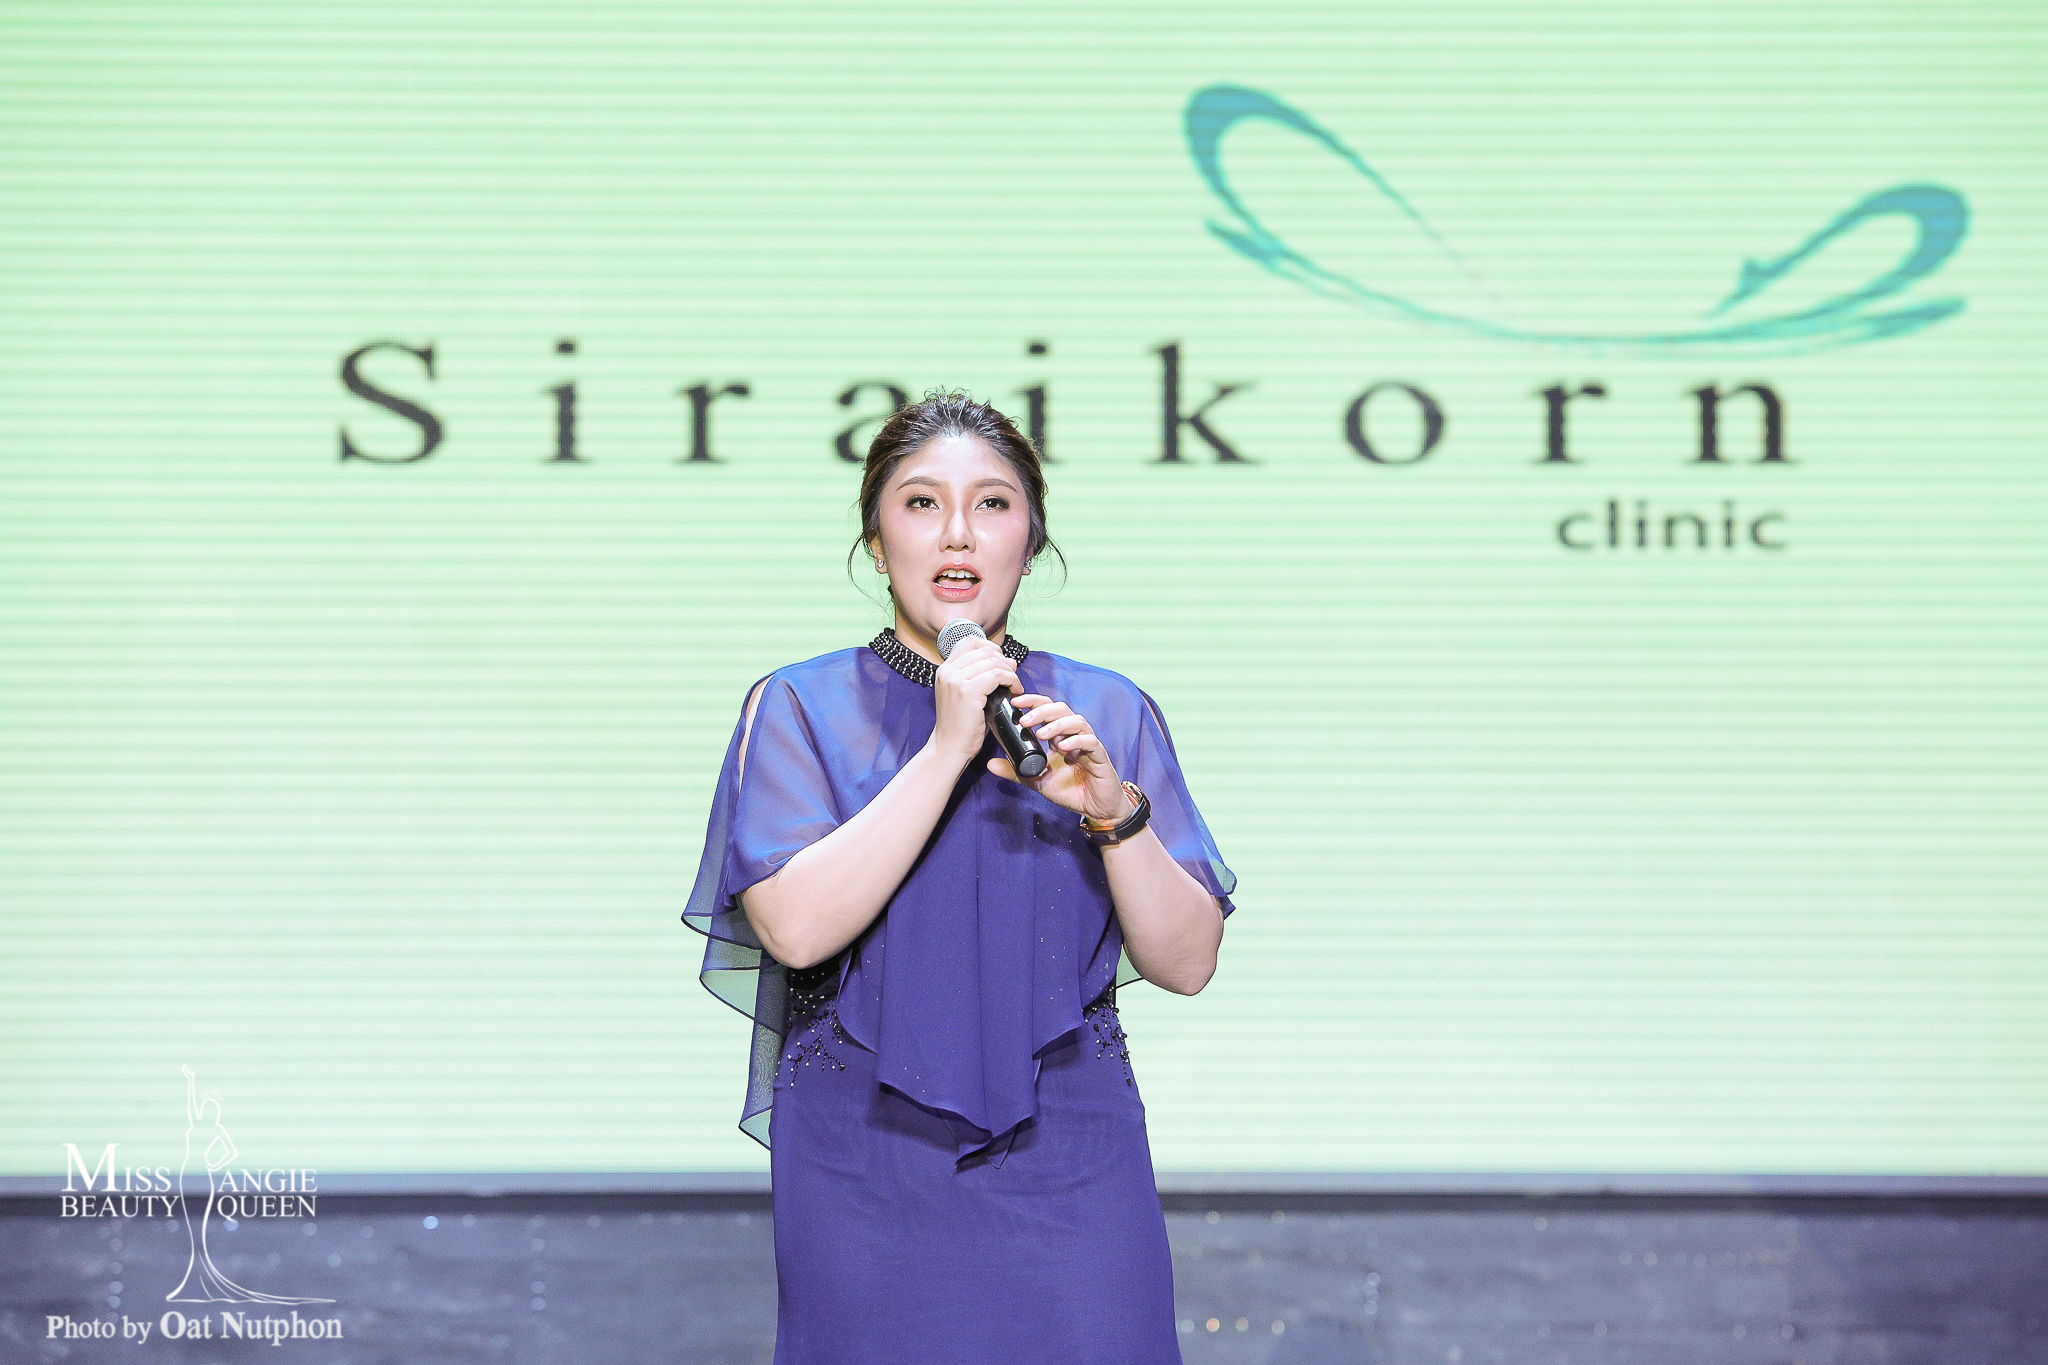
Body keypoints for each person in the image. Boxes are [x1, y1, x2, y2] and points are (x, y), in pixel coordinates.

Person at [682, 390, 1237, 1363]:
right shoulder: (800, 705)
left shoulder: (1102, 709)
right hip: (863, 1152)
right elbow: (795, 930)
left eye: (992, 503)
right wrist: (945, 748)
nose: (957, 532)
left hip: (1073, 1151)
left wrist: (1111, 811)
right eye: (920, 502)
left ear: (1031, 540)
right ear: (875, 540)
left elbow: (1187, 963)